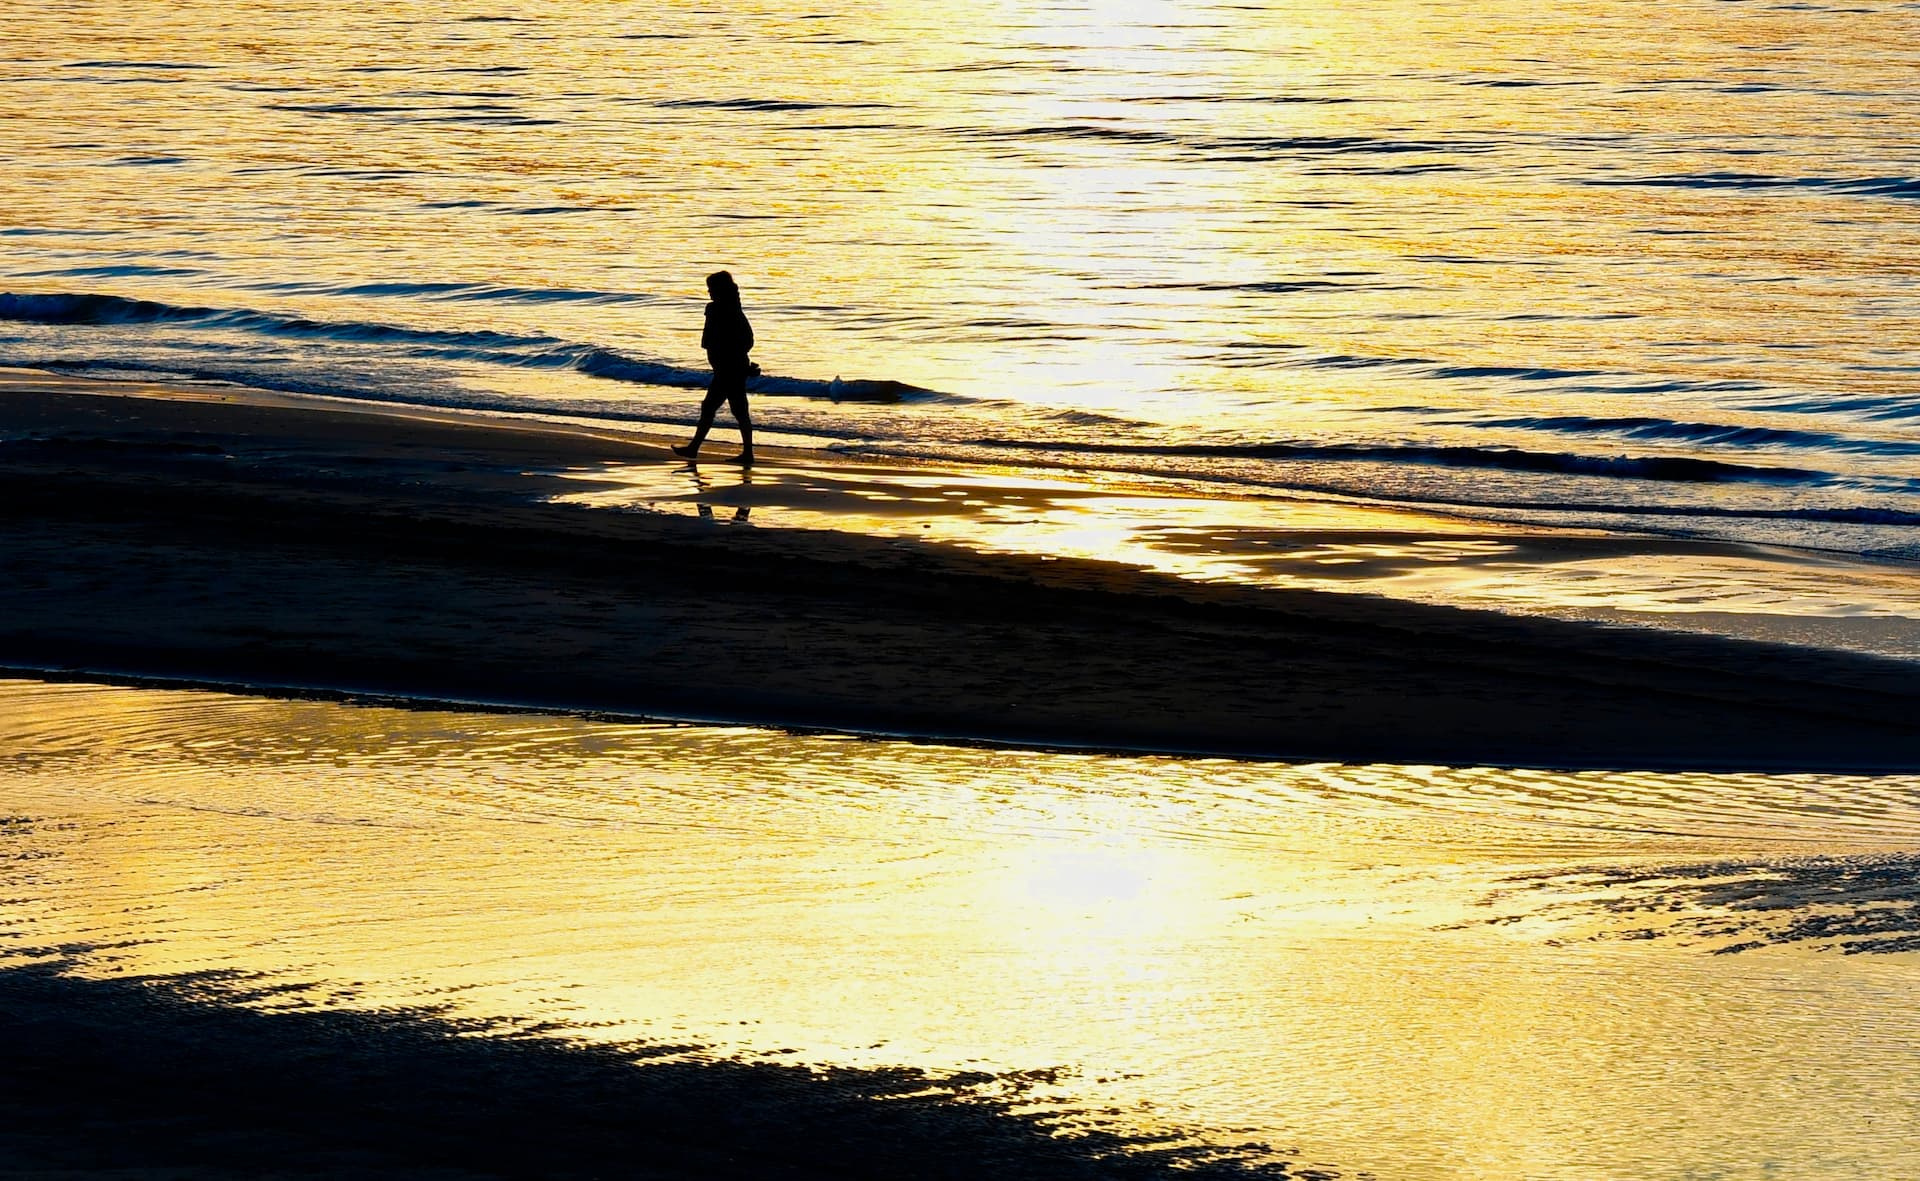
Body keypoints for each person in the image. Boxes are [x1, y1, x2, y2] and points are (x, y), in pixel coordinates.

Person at [672, 270, 756, 465]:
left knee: (718, 407)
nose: (709, 292)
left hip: (729, 369)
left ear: (720, 290)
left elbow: (745, 340)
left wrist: (736, 361)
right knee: (735, 409)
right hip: (728, 368)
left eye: (711, 289)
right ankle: (743, 452)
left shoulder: (724, 311)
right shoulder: (728, 309)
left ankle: (696, 448)